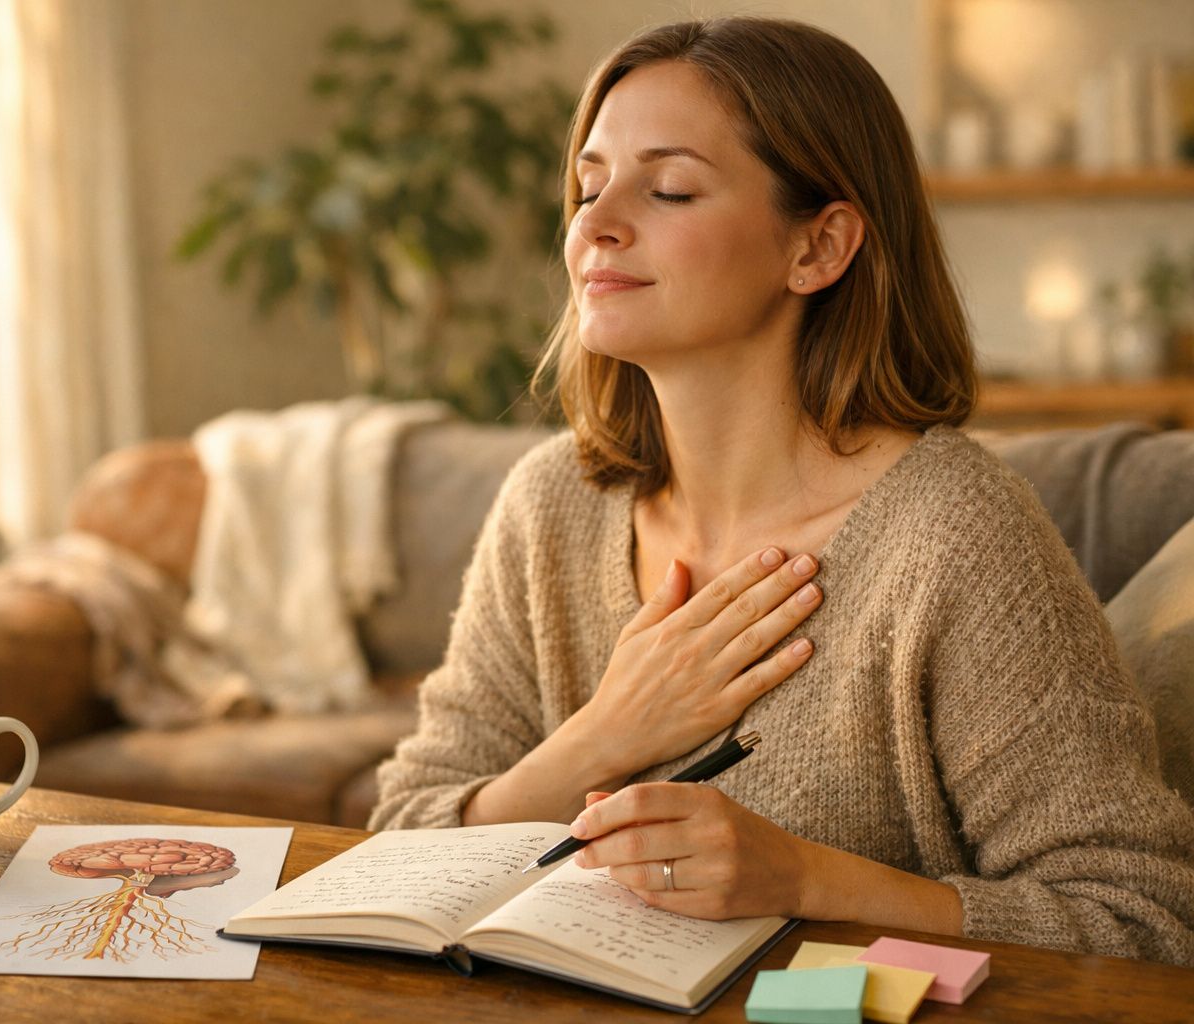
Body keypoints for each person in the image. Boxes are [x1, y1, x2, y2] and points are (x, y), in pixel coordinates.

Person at [368, 17, 1194, 965]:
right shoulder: (547, 506)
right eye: (588, 185)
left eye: (669, 187)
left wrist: (806, 879)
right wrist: (602, 736)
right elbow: (399, 835)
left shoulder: (956, 539)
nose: (594, 222)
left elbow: (1145, 922)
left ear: (819, 248)